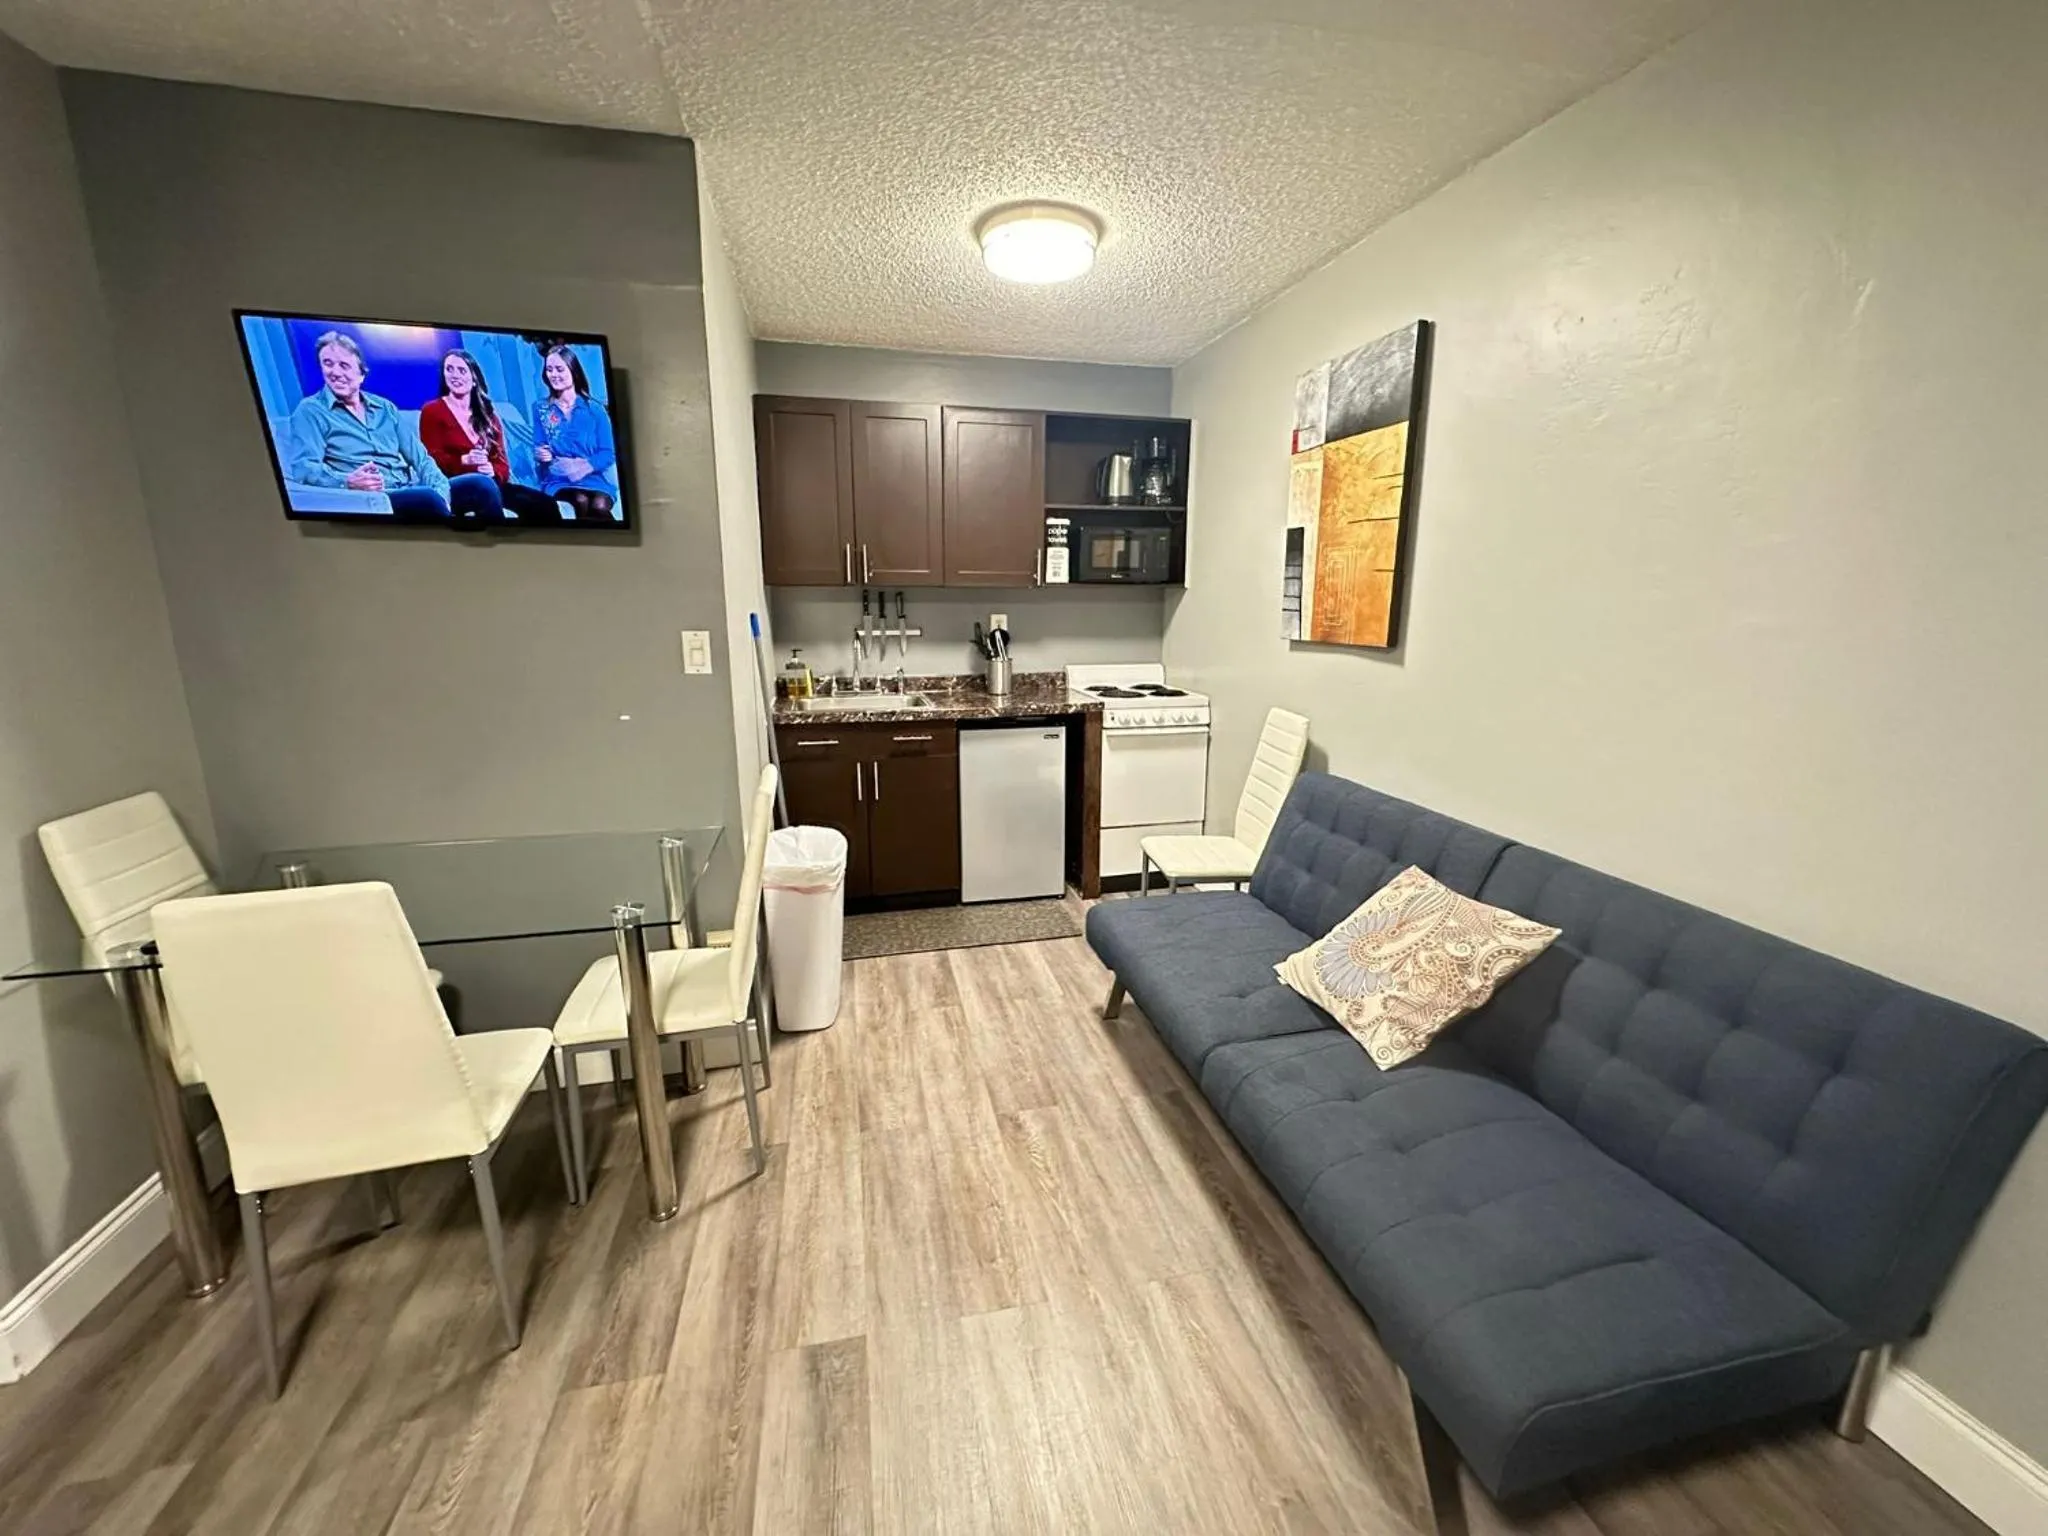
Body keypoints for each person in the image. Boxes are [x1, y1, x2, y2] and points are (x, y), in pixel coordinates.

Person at [285, 331, 495, 521]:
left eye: (344, 365)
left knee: (481, 486)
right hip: (375, 498)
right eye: (328, 364)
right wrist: (347, 481)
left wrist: (441, 492)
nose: (335, 372)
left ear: (361, 374)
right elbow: (304, 468)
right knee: (426, 499)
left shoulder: (385, 408)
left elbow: (422, 460)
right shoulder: (310, 411)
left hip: (412, 488)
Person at [417, 349, 559, 523]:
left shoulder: (488, 415)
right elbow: (430, 459)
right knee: (485, 489)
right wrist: (464, 461)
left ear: (474, 379)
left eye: (462, 371)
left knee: (546, 504)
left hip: (493, 483)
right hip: (456, 485)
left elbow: (502, 463)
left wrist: (493, 470)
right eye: (449, 369)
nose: (455, 376)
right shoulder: (432, 411)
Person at [530, 345, 620, 522]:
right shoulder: (541, 408)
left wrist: (584, 466)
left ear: (573, 370)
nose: (554, 375)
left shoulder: (595, 409)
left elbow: (608, 453)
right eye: (549, 370)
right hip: (558, 480)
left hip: (592, 477)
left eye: (559, 369)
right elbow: (539, 445)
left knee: (599, 506)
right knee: (580, 500)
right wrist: (541, 454)